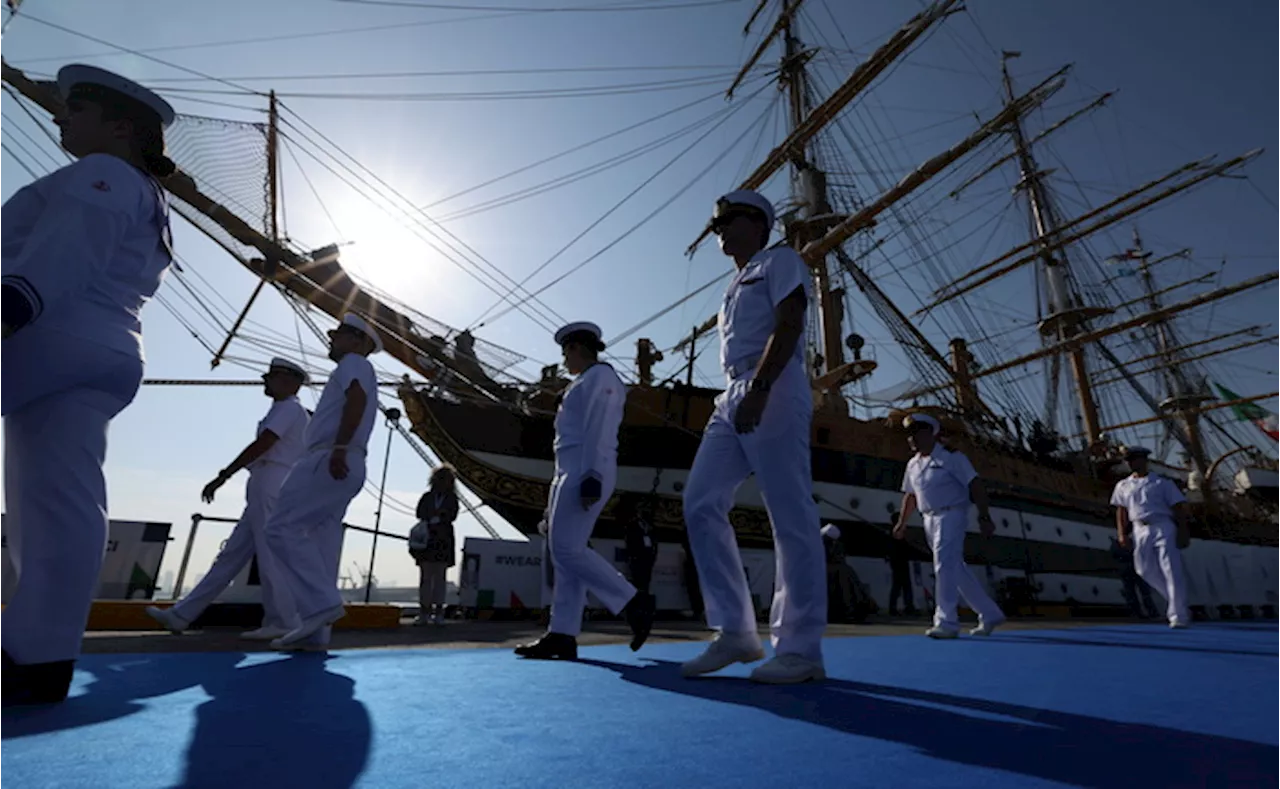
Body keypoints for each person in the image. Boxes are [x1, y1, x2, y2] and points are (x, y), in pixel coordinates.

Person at [0, 65, 177, 706]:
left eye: (75, 107)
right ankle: (38, 654)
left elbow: (65, 250)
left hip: (46, 329)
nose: (59, 115)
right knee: (58, 503)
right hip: (107, 350)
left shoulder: (99, 175)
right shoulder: (152, 197)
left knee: (50, 501)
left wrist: (10, 308)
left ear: (121, 126)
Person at [679, 189, 826, 684]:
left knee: (788, 510)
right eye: (715, 223)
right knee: (699, 502)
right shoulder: (733, 284)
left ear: (759, 223)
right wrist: (743, 392)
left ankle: (801, 648)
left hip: (774, 383)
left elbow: (790, 319)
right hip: (732, 391)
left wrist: (761, 387)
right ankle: (737, 633)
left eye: (728, 220)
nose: (718, 229)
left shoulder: (780, 259)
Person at [514, 321, 654, 660]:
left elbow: (599, 429)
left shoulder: (601, 379)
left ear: (578, 348)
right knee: (565, 556)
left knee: (566, 550)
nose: (564, 361)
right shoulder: (582, 382)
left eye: (566, 353)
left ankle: (632, 601)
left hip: (586, 468)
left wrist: (591, 474)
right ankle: (562, 633)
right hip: (567, 470)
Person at [146, 358, 310, 639]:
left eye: (272, 377)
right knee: (231, 555)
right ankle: (182, 615)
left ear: (290, 382)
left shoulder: (289, 409)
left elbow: (264, 443)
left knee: (268, 553)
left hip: (271, 479)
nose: (265, 381)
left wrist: (225, 475)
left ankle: (282, 620)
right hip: (264, 481)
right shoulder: (284, 409)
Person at [263, 313, 383, 651]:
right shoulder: (359, 367)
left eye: (337, 333)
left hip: (330, 457)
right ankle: (316, 634)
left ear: (358, 340)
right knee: (322, 544)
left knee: (280, 528)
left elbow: (356, 399)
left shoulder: (353, 363)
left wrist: (340, 446)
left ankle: (320, 606)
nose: (331, 338)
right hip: (349, 458)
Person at [893, 413, 1006, 639]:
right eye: (910, 434)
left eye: (916, 433)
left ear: (930, 433)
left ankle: (946, 622)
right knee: (956, 569)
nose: (911, 439)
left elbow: (975, 485)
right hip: (928, 519)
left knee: (943, 565)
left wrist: (984, 516)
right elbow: (911, 496)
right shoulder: (913, 464)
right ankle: (990, 613)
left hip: (951, 515)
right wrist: (902, 523)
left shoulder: (952, 457)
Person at [1110, 446, 1191, 628]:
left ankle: (1178, 615)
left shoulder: (1162, 483)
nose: (1130, 463)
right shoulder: (1123, 485)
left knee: (1171, 569)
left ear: (1144, 460)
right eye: (1128, 460)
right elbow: (1121, 511)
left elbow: (1178, 508)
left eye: (1134, 459)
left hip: (1163, 525)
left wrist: (1183, 532)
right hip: (1139, 529)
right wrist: (1122, 534)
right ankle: (1175, 602)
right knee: (1143, 569)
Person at [410, 464, 460, 626]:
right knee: (426, 578)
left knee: (439, 578)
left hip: (442, 540)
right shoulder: (427, 497)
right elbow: (419, 512)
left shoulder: (452, 498)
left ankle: (438, 612)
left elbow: (452, 515)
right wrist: (436, 515)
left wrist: (438, 515)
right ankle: (424, 611)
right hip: (428, 540)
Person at [619, 494, 658, 600]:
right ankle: (636, 601)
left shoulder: (650, 526)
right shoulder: (632, 525)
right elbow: (629, 540)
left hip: (648, 557)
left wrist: (653, 554)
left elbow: (654, 541)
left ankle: (644, 600)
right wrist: (633, 555)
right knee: (636, 580)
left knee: (646, 581)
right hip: (637, 557)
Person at [887, 507, 918, 616]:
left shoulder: (893, 534)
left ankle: (897, 607)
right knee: (902, 587)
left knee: (899, 587)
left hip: (898, 563)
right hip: (900, 563)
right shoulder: (897, 534)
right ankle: (905, 607)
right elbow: (903, 548)